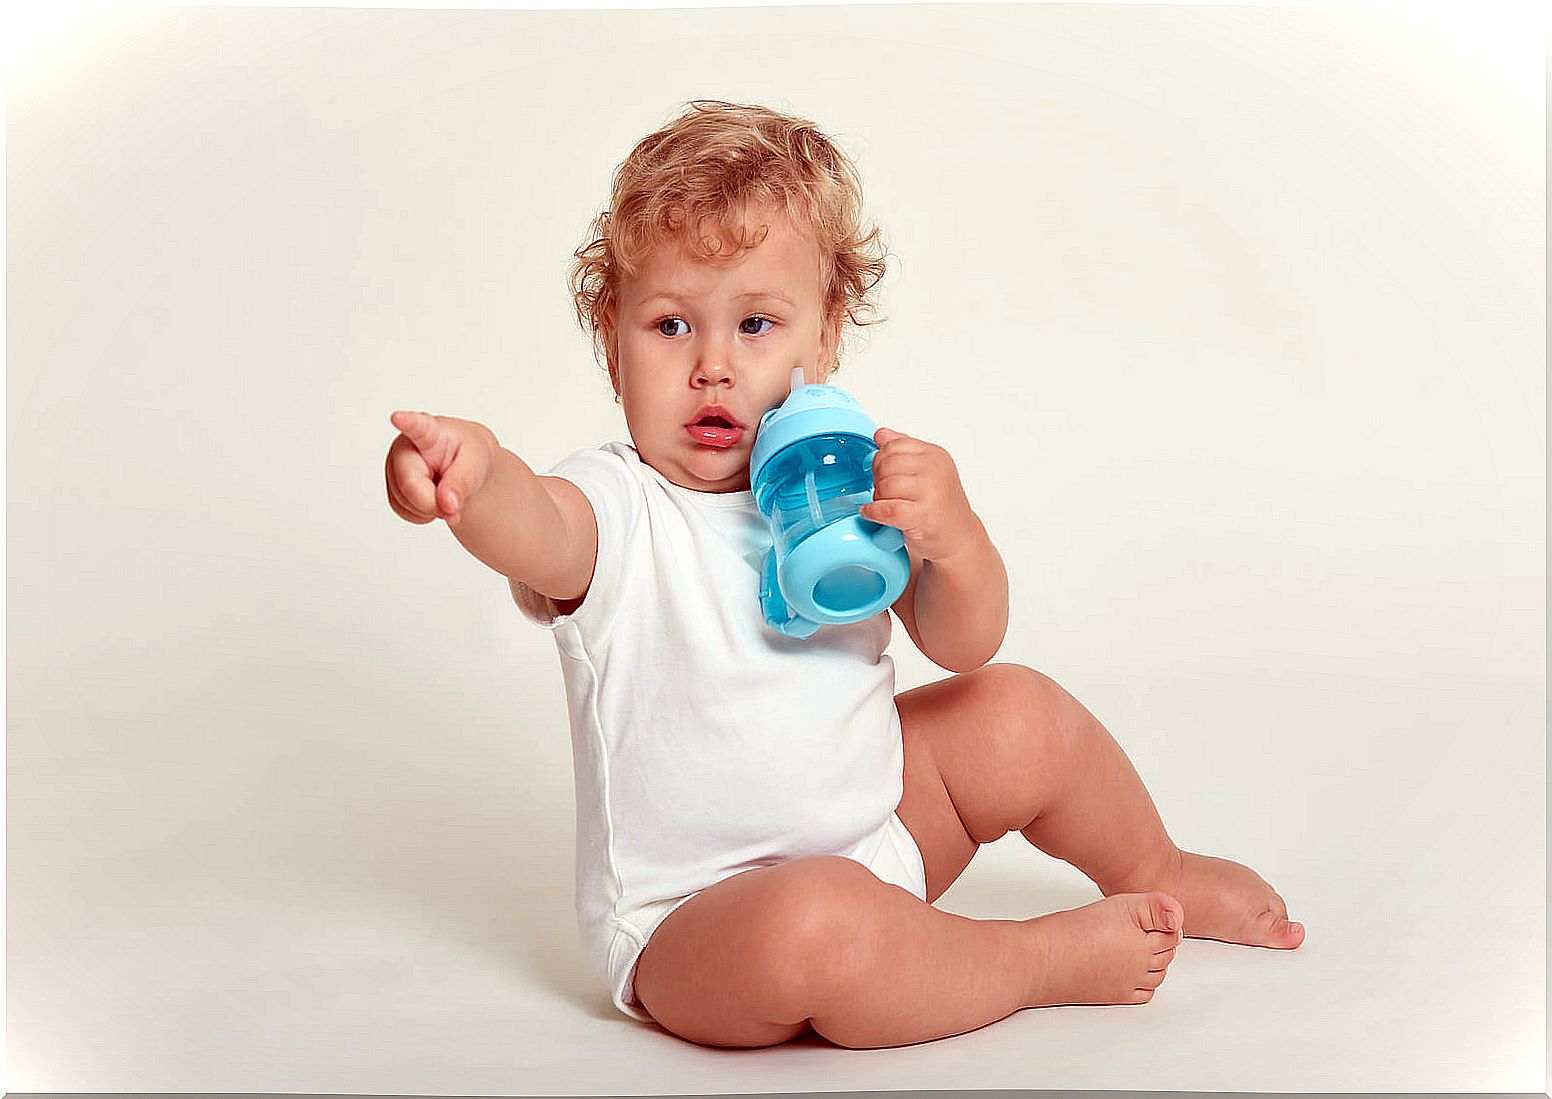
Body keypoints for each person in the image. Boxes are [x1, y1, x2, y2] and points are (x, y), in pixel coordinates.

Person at [383, 100, 1304, 1051]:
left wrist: (952, 533)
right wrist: (477, 475)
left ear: (823, 340)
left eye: (755, 324)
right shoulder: (618, 504)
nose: (711, 367)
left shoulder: (838, 477)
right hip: (703, 928)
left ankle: (1159, 866)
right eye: (669, 326)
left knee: (1018, 708)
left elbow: (964, 642)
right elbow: (538, 528)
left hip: (878, 840)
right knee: (816, 922)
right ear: (610, 339)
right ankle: (1030, 963)